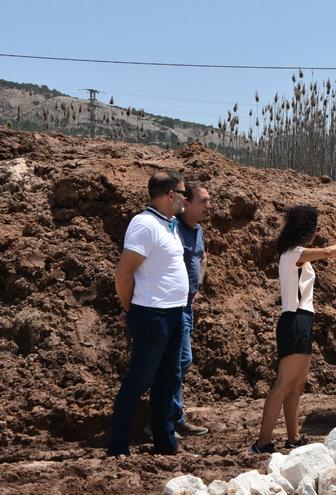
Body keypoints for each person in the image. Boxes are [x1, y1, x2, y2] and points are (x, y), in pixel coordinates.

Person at [250, 205, 336, 454]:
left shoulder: (293, 253)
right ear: (306, 230)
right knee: (283, 384)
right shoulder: (294, 253)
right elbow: (329, 252)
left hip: (302, 320)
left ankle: (293, 437)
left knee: (296, 385)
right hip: (295, 320)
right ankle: (262, 443)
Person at [108, 170, 190, 456]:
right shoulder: (144, 225)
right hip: (153, 316)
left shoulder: (168, 224)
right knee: (139, 381)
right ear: (170, 195)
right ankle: (118, 447)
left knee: (167, 382)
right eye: (183, 194)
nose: (185, 199)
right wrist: (132, 310)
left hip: (173, 314)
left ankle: (166, 444)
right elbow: (123, 273)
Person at [170, 180, 211, 435]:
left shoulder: (197, 231)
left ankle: (172, 416)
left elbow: (203, 257)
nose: (209, 205)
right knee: (181, 360)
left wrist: (197, 288)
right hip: (172, 306)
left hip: (187, 305)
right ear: (186, 203)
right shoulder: (174, 229)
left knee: (179, 361)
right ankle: (167, 418)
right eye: (203, 201)